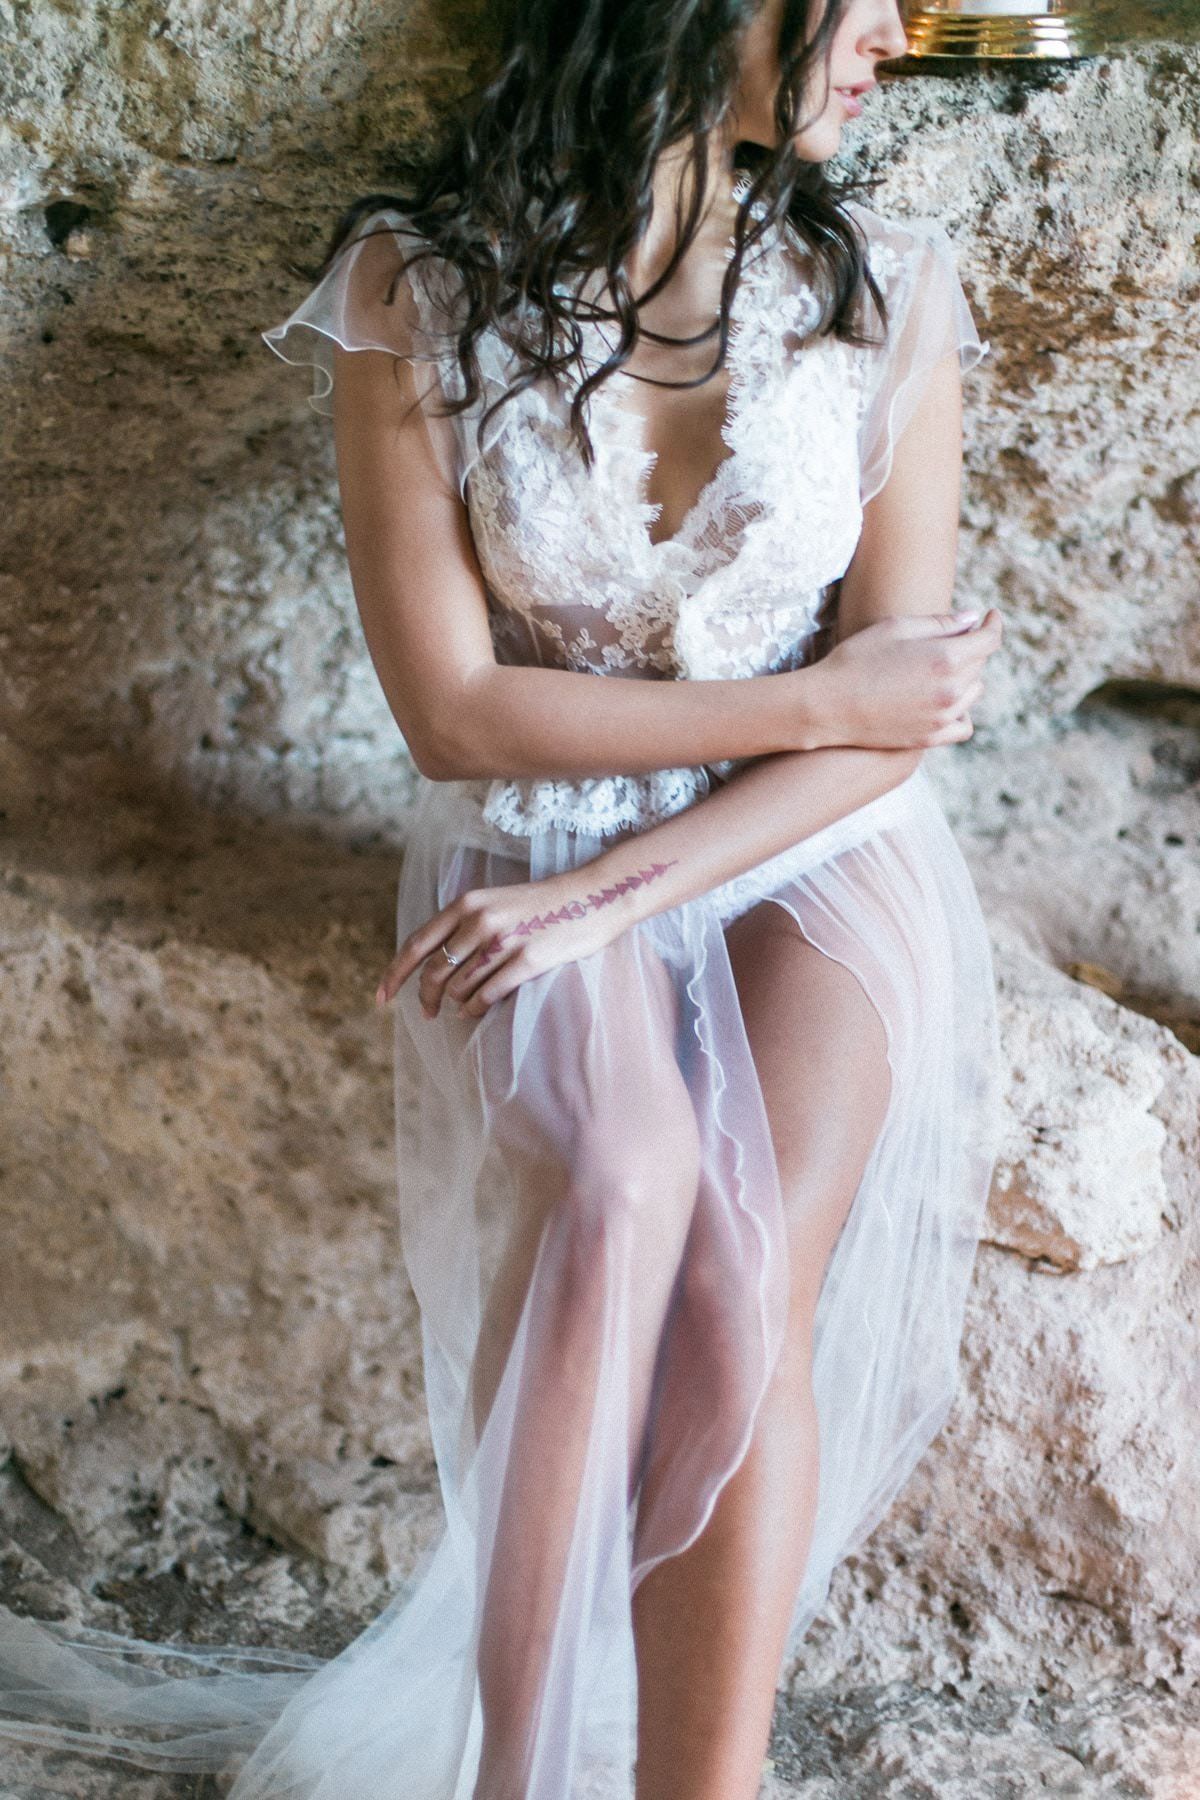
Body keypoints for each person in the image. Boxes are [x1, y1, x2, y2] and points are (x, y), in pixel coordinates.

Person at [0, 0, 1006, 1795]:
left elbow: (894, 734)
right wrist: (804, 709)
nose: (892, 35)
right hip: (536, 827)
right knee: (619, 1181)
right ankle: (512, 1771)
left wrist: (648, 877)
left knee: (742, 1268)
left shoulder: (889, 290)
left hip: (815, 849)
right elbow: (456, 713)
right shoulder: (418, 288)